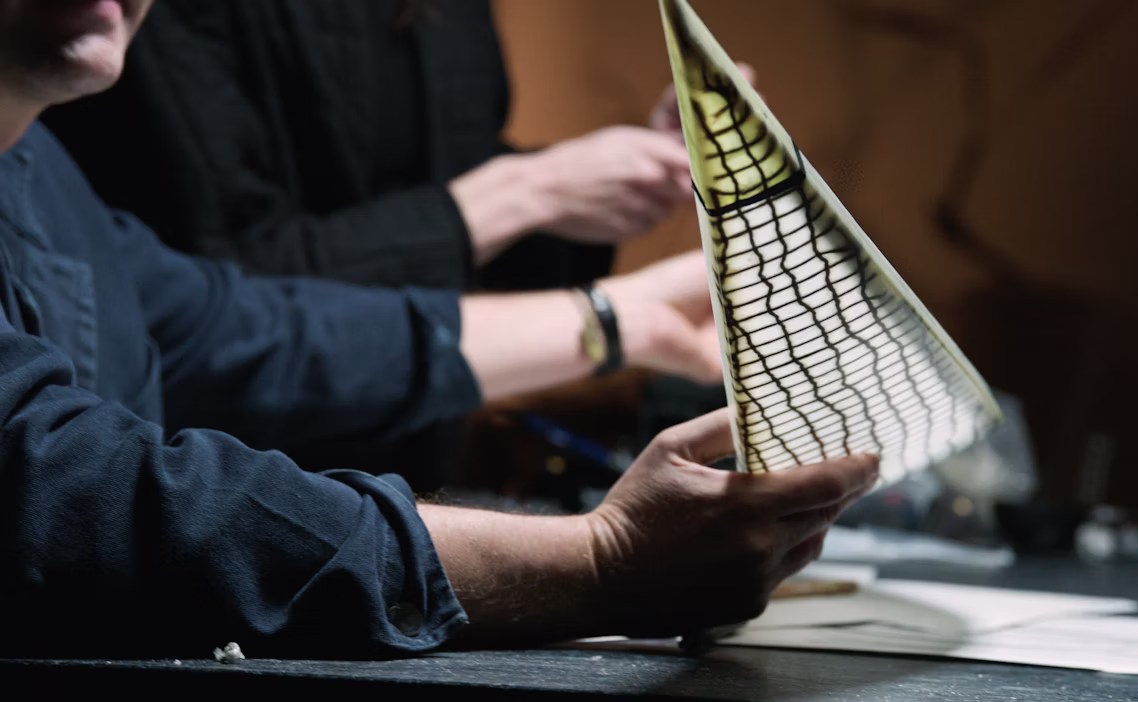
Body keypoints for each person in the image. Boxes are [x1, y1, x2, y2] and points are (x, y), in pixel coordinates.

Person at [0, 0, 877, 658]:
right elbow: (68, 491)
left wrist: (616, 318)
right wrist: (597, 565)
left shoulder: (43, 174)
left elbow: (249, 331)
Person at [42, 0, 723, 481]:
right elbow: (225, 311)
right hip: (234, 475)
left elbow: (447, 214)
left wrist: (599, 196)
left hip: (415, 455)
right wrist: (529, 192)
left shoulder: (449, 17)